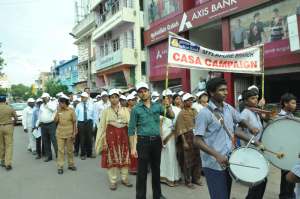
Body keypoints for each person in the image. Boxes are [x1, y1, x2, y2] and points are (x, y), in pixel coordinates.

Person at [193, 78, 260, 199]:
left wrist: (250, 126)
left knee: (225, 195)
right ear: (212, 93)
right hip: (213, 164)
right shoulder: (204, 114)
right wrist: (217, 155)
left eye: (226, 89)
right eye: (222, 90)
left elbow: (240, 119)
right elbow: (196, 140)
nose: (226, 92)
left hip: (229, 160)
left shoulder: (228, 108)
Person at [128, 82, 174, 199]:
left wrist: (167, 105)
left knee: (156, 169)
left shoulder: (157, 106)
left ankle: (157, 195)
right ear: (138, 94)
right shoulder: (135, 109)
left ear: (149, 92)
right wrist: (133, 147)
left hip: (156, 142)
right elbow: (131, 129)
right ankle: (140, 196)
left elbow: (171, 116)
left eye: (145, 91)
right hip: (143, 142)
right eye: (141, 92)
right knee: (142, 171)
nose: (143, 94)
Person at [95, 89, 133, 191]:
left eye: (116, 97)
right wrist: (104, 143)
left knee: (124, 156)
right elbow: (103, 128)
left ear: (119, 98)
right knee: (112, 158)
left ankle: (124, 179)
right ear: (109, 99)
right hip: (111, 138)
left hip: (124, 138)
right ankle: (113, 181)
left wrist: (131, 142)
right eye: (112, 97)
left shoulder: (124, 110)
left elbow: (130, 127)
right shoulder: (106, 111)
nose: (114, 99)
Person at [237, 90, 267, 199]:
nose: (256, 100)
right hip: (251, 151)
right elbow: (237, 132)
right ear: (245, 101)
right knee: (256, 181)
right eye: (253, 98)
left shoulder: (255, 112)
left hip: (258, 151)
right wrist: (255, 142)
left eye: (256, 98)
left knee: (263, 180)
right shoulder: (245, 113)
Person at [175, 93, 202, 189]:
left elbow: (200, 123)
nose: (190, 102)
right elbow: (180, 128)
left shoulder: (195, 111)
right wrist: (184, 142)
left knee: (198, 158)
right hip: (187, 138)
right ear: (184, 102)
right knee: (188, 160)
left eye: (191, 100)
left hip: (197, 137)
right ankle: (188, 180)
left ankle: (196, 178)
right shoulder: (182, 113)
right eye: (187, 100)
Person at [274, 93, 297, 199]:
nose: (295, 105)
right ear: (285, 104)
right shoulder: (279, 118)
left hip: (292, 150)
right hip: (284, 150)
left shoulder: (291, 116)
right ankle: (285, 195)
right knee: (287, 174)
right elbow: (278, 134)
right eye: (293, 103)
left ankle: (290, 194)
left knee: (293, 171)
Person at [160, 90, 182, 187]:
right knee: (166, 156)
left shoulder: (177, 110)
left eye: (169, 97)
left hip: (175, 135)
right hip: (165, 136)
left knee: (174, 156)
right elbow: (159, 125)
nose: (168, 99)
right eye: (166, 97)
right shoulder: (161, 109)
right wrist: (160, 138)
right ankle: (164, 176)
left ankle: (175, 177)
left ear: (172, 99)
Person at [54, 95, 77, 175]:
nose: (59, 104)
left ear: (64, 103)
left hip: (69, 133)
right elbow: (55, 121)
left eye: (60, 103)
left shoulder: (71, 110)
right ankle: (60, 167)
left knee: (70, 150)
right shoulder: (59, 110)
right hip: (59, 133)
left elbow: (74, 122)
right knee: (60, 150)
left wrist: (74, 133)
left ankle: (71, 165)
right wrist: (57, 111)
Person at [35, 93, 58, 162]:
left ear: (48, 97)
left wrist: (48, 103)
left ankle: (58, 155)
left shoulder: (53, 103)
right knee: (45, 141)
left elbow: (53, 109)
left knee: (54, 140)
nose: (43, 99)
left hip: (51, 124)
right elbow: (40, 116)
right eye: (43, 98)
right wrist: (37, 124)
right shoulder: (42, 105)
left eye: (44, 98)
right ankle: (49, 156)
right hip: (43, 125)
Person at [75, 92, 96, 160]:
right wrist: (76, 126)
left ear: (87, 98)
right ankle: (82, 154)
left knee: (90, 138)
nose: (82, 98)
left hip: (89, 122)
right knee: (82, 139)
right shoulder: (78, 106)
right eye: (81, 97)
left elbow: (93, 116)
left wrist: (93, 125)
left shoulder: (91, 105)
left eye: (83, 97)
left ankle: (89, 153)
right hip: (81, 123)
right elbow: (76, 117)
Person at [0, 95, 18, 170]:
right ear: (5, 101)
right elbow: (16, 118)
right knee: (9, 145)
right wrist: (13, 123)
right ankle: (8, 164)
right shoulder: (10, 108)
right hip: (8, 127)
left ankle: (2, 161)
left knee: (1, 144)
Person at [126, 94, 138, 174]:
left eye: (134, 100)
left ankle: (139, 167)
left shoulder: (137, 109)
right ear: (128, 101)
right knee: (131, 147)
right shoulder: (124, 110)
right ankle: (131, 167)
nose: (134, 101)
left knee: (138, 148)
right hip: (129, 131)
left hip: (138, 131)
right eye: (132, 100)